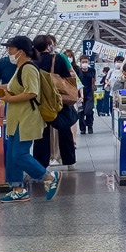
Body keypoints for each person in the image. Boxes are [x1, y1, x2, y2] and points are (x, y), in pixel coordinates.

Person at [0, 35, 61, 203]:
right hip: (16, 119)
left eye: (10, 48)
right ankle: (17, 189)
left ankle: (48, 177)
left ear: (21, 51)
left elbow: (32, 92)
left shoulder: (28, 68)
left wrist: (9, 99)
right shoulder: (20, 68)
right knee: (12, 154)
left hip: (26, 118)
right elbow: (16, 88)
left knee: (19, 154)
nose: (7, 51)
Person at [32, 34, 77, 169]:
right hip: (59, 100)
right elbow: (67, 78)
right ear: (48, 45)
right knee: (64, 130)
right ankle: (70, 162)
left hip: (41, 101)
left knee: (41, 133)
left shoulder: (32, 62)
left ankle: (41, 164)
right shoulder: (58, 59)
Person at [67, 49, 95, 135]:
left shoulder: (92, 70)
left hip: (89, 93)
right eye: (83, 62)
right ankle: (82, 128)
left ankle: (89, 125)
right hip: (79, 94)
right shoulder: (78, 71)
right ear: (80, 62)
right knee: (80, 112)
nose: (84, 63)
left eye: (86, 61)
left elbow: (93, 81)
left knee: (88, 110)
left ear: (89, 62)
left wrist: (94, 88)